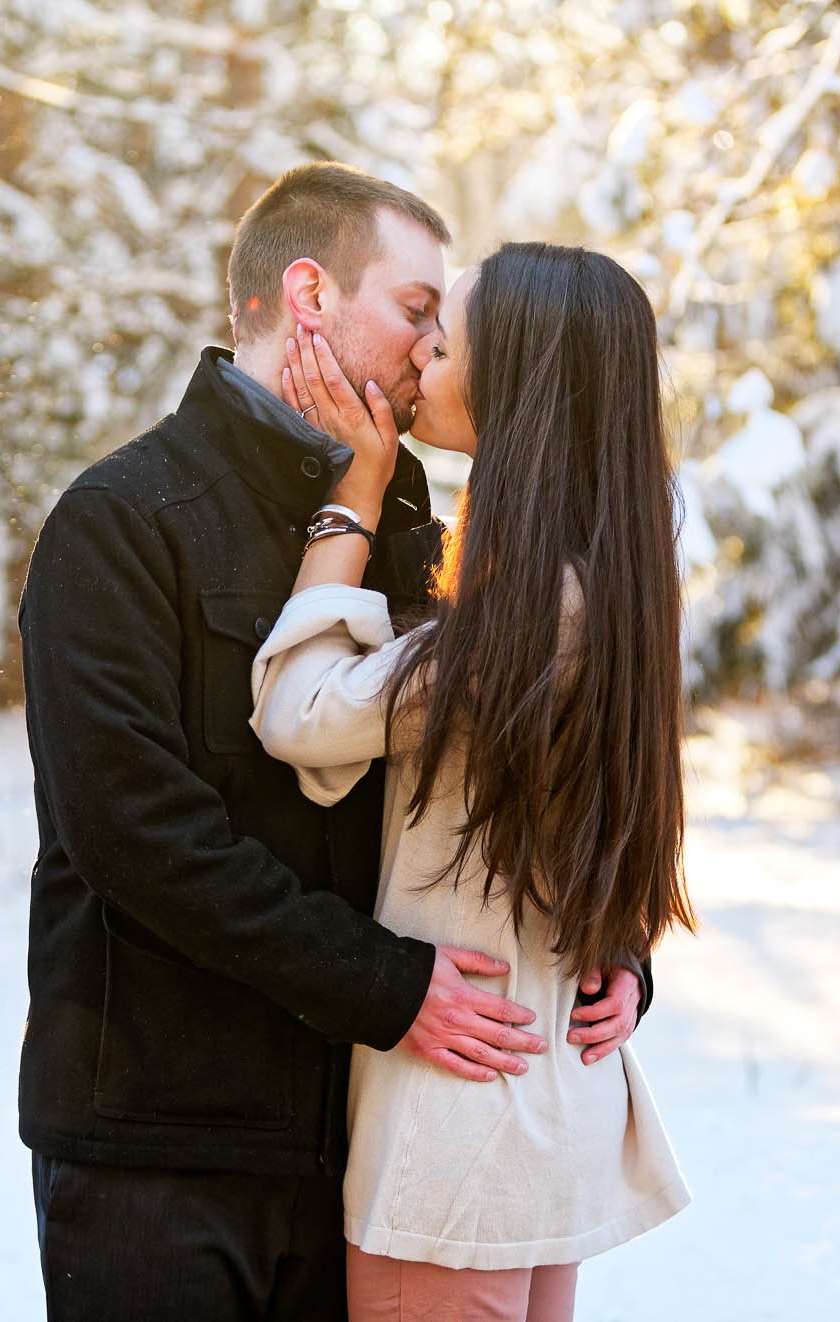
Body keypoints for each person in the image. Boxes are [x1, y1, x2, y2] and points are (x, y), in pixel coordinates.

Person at [17, 166, 650, 1320]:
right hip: (165, 1139)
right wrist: (385, 985)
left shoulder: (426, 527)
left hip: (368, 1136)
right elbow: (132, 833)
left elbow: (513, 780)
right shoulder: (123, 519)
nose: (430, 351)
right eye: (418, 311)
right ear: (308, 293)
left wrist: (605, 947)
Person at [250, 242, 696, 1321]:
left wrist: (349, 502)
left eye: (442, 343)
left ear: (519, 389)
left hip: (460, 1140)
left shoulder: (522, 622)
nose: (417, 359)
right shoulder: (616, 582)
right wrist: (625, 959)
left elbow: (297, 712)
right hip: (541, 1111)